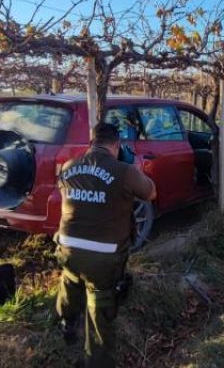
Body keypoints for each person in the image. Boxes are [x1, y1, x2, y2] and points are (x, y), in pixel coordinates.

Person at [55, 123, 156, 367]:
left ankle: (67, 323)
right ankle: (96, 359)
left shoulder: (68, 167)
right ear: (116, 145)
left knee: (70, 279)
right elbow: (151, 193)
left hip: (67, 250)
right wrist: (134, 169)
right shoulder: (124, 171)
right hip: (105, 257)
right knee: (99, 303)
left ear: (91, 143)